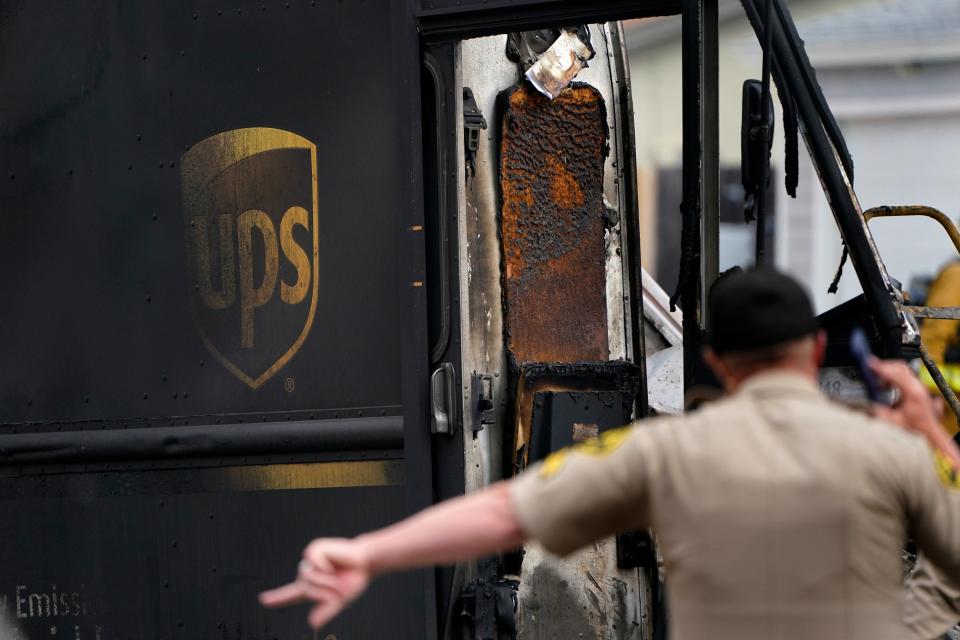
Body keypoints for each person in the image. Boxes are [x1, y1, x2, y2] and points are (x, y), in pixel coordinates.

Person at [260, 268, 960, 639]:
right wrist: (929, 429)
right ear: (813, 351)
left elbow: (508, 513)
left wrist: (370, 553)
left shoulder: (663, 452)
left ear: (716, 359)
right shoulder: (889, 454)